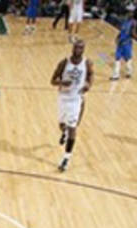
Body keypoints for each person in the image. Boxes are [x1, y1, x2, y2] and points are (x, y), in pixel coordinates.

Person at [50, 38, 93, 172]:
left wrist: (88, 85)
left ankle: (66, 158)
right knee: (62, 125)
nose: (78, 50)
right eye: (76, 47)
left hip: (76, 99)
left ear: (83, 49)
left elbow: (91, 75)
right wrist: (62, 82)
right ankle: (64, 132)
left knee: (73, 127)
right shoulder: (64, 63)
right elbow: (52, 81)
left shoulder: (87, 63)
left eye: (81, 48)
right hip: (63, 98)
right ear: (72, 48)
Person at [111, 5, 136, 80]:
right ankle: (116, 75)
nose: (129, 13)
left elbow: (133, 34)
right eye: (128, 12)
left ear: (133, 13)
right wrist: (118, 37)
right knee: (117, 58)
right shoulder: (124, 21)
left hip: (127, 43)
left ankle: (129, 72)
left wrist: (131, 33)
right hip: (120, 42)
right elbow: (122, 31)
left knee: (127, 59)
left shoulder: (133, 22)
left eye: (131, 12)